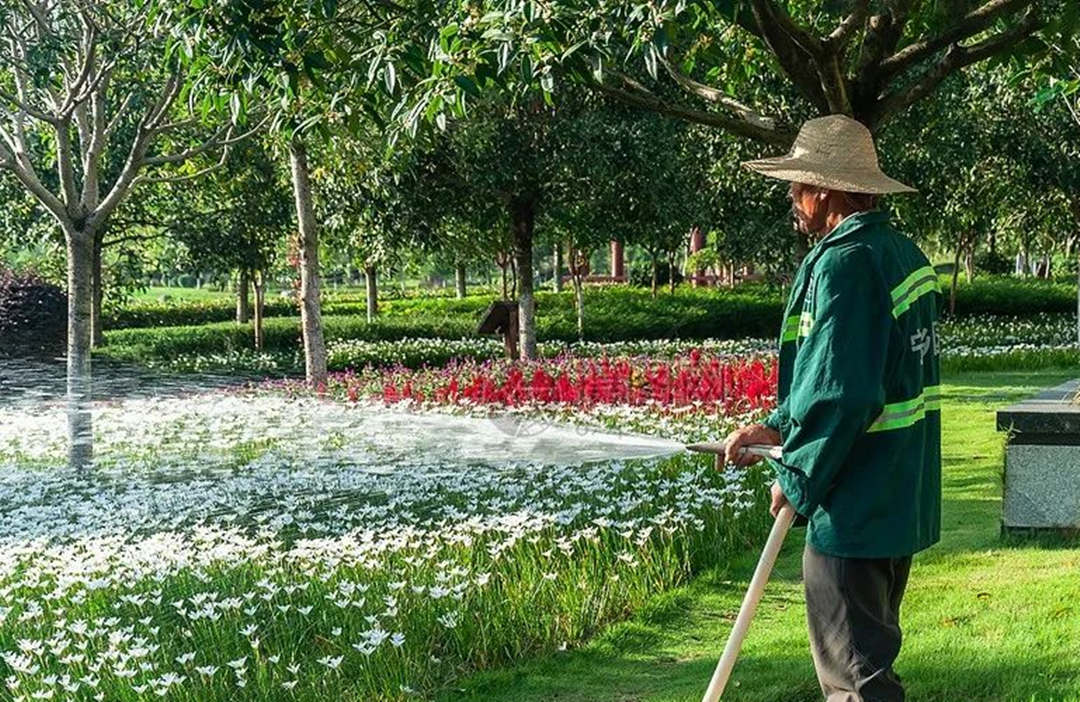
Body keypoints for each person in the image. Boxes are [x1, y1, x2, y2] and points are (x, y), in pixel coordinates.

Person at [724, 114, 942, 702]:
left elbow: (843, 394)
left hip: (854, 510)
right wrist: (777, 428)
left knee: (854, 683)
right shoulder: (901, 254)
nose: (792, 200)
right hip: (894, 498)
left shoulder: (845, 265)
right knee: (869, 662)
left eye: (798, 187)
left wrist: (796, 475)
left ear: (825, 190)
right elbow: (856, 371)